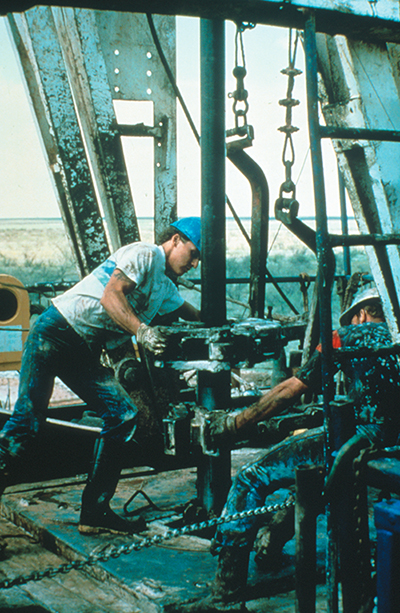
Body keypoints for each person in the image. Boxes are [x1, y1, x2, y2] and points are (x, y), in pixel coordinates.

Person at [165, 287, 400, 612]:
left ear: (359, 314)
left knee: (251, 477)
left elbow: (292, 390)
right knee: (313, 478)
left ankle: (225, 597)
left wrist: (236, 423)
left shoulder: (344, 336)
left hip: (359, 437)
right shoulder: (397, 336)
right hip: (393, 446)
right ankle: (271, 544)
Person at [0, 217, 201, 535]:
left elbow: (192, 314)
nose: (195, 263)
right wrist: (142, 331)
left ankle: (94, 512)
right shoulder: (144, 255)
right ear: (175, 240)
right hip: (56, 332)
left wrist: (233, 325)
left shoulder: (165, 286)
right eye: (193, 253)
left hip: (82, 349)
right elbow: (111, 297)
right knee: (27, 424)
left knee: (123, 415)